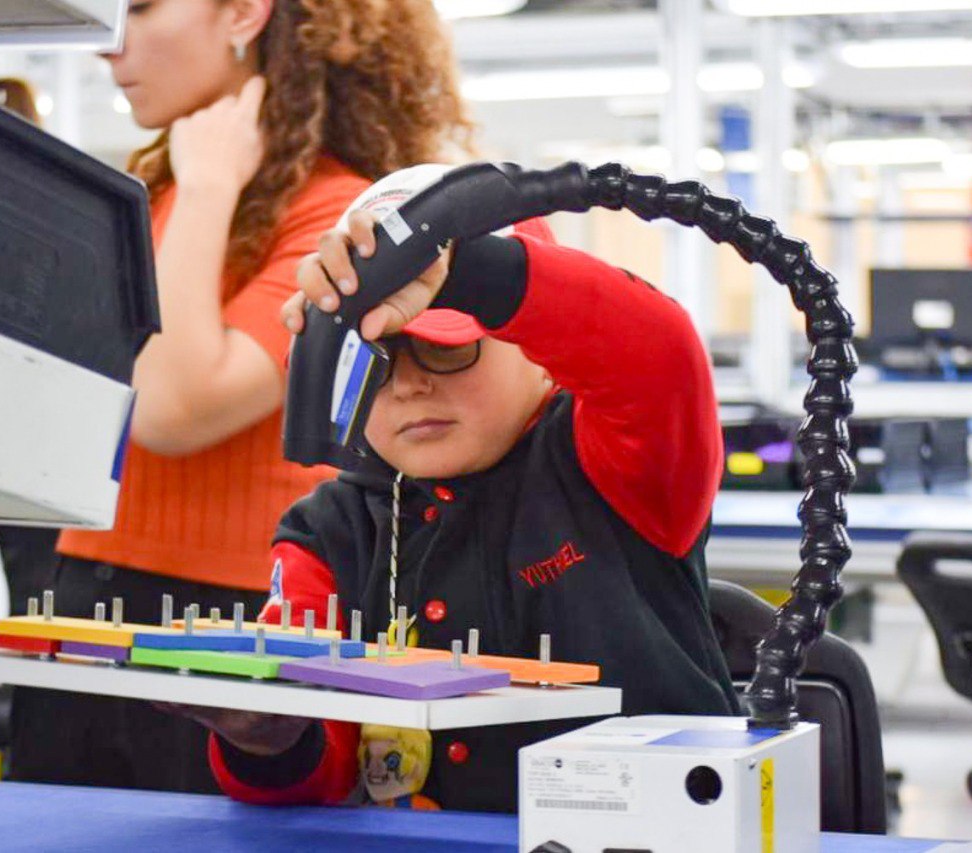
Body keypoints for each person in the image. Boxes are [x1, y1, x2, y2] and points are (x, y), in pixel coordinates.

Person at [8, 0, 474, 792]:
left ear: (243, 14)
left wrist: (211, 184)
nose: (108, 44)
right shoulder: (150, 199)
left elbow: (176, 409)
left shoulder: (343, 218)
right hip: (85, 597)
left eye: (143, 7)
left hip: (241, 619)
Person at [173, 166, 741, 812]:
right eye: (379, 357)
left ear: (540, 351)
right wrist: (271, 741)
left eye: (448, 349)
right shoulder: (325, 535)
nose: (409, 385)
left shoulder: (616, 467)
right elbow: (316, 766)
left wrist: (466, 271)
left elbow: (655, 353)